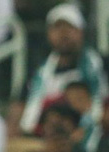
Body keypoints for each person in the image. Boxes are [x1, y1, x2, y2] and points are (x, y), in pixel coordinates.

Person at [14, 4, 107, 136]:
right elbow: (18, 111)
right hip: (44, 139)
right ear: (48, 34)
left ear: (81, 31)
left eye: (69, 27)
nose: (63, 34)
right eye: (57, 27)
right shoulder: (37, 74)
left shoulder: (102, 65)